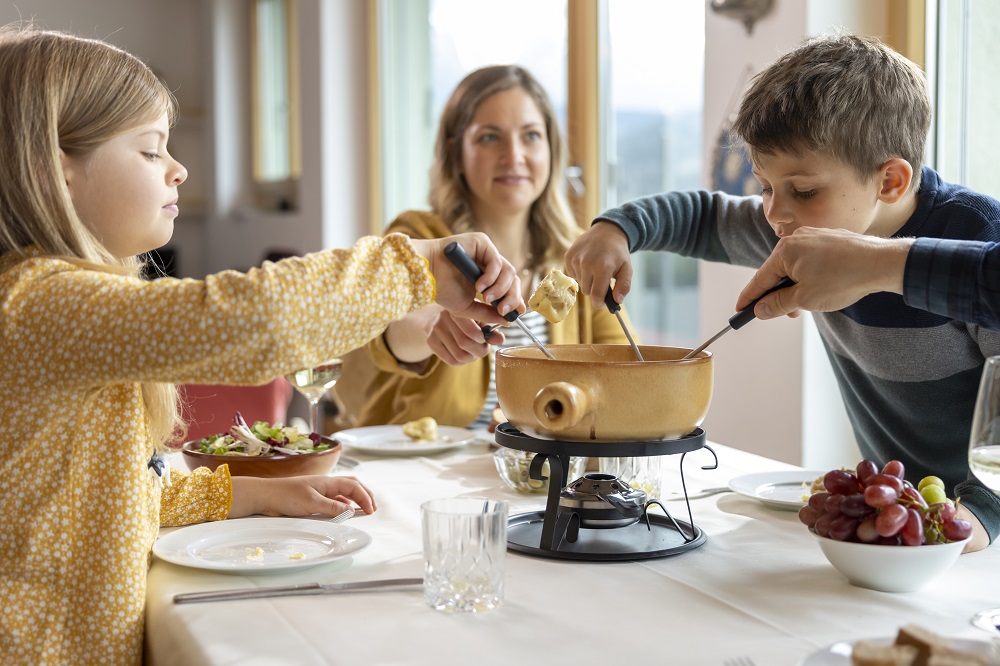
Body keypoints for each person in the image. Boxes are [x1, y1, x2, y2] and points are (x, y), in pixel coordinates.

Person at [0, 25, 524, 664]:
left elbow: (100, 495)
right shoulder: (35, 302)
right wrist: (420, 267)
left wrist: (248, 493)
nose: (179, 168)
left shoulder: (50, 304)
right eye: (150, 150)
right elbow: (256, 321)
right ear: (61, 171)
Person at [564, 34, 1000, 553]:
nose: (773, 213)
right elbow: (702, 216)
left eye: (803, 190)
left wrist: (969, 521)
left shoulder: (977, 239)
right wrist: (618, 229)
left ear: (890, 180)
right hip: (896, 526)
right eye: (766, 186)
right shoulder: (798, 232)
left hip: (971, 533)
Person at [343, 65, 629, 430]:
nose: (514, 155)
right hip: (427, 472)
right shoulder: (420, 234)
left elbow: (625, 366)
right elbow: (387, 333)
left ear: (551, 150)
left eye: (530, 136)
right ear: (455, 149)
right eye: (490, 138)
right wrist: (433, 325)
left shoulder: (577, 255)